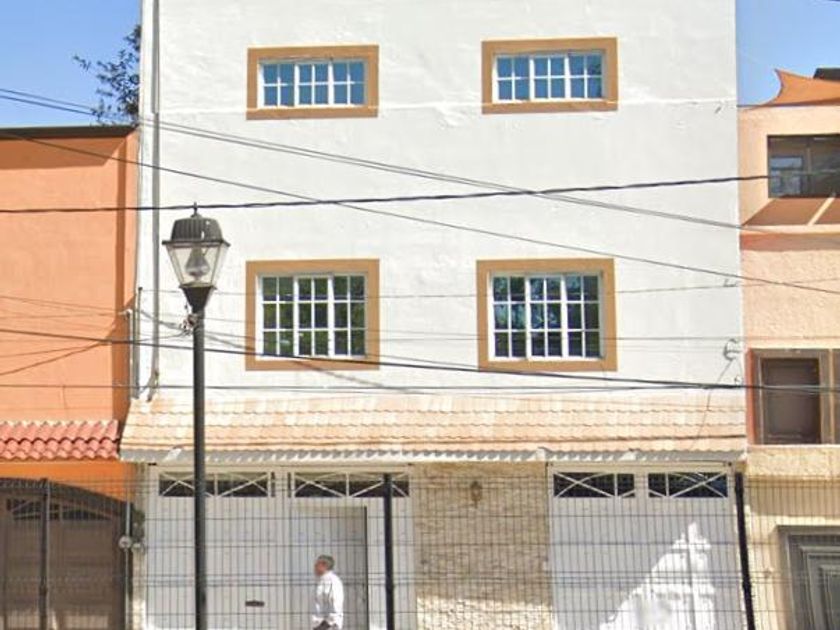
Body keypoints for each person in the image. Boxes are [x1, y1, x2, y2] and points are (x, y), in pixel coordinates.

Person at [312, 554, 344, 630]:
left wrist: (327, 624)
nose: (314, 566)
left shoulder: (333, 582)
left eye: (317, 564)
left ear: (324, 565)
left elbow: (335, 604)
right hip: (320, 625)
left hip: (328, 626)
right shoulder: (321, 581)